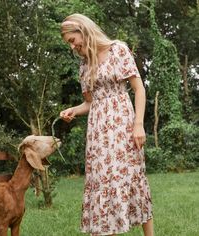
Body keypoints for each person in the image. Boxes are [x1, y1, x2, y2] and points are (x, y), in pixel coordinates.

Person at [60, 13, 154, 236]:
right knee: (102, 181)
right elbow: (90, 103)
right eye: (69, 44)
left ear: (83, 31)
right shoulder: (84, 65)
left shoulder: (118, 49)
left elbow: (139, 89)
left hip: (123, 125)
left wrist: (138, 125)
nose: (72, 47)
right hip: (98, 133)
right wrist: (74, 110)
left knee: (131, 177)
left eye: (73, 41)